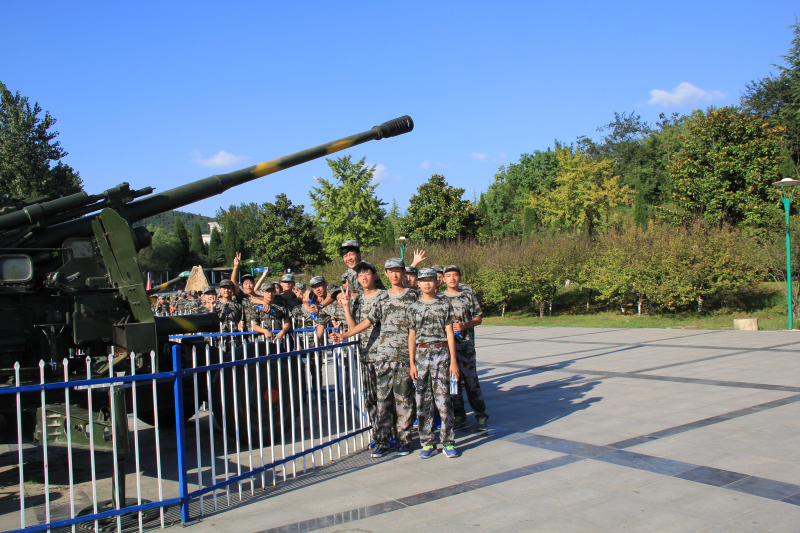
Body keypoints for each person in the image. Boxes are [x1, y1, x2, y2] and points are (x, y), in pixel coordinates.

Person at [330, 258, 416, 458]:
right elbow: (367, 322)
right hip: (380, 356)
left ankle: (403, 439)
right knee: (380, 401)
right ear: (385, 274)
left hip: (403, 355)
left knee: (403, 400)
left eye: (397, 270)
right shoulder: (379, 299)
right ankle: (383, 440)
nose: (394, 274)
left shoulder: (410, 296)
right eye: (390, 271)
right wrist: (344, 335)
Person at [407, 267, 460, 459]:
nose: (427, 283)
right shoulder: (413, 308)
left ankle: (448, 441)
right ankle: (427, 442)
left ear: (437, 282)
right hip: (421, 355)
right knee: (423, 400)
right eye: (423, 280)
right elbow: (411, 337)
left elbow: (450, 333)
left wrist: (453, 361)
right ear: (419, 283)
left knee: (444, 399)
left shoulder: (445, 305)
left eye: (430, 280)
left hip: (441, 354)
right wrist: (412, 363)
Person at [335, 260, 387, 450]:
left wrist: (344, 335)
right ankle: (378, 434)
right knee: (371, 399)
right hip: (366, 353)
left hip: (384, 353)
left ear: (375, 275)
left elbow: (369, 322)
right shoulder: (358, 300)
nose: (364, 277)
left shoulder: (384, 296)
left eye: (367, 273)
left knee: (385, 398)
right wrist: (346, 307)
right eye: (360, 275)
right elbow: (354, 326)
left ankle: (388, 436)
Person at [441, 265, 488, 432]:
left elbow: (478, 318)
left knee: (471, 383)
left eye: (455, 275)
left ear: (460, 277)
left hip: (465, 347)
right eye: (448, 275)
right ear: (443, 279)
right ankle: (459, 415)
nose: (452, 278)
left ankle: (481, 415)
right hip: (446, 349)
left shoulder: (467, 295)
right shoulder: (439, 298)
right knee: (453, 384)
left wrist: (464, 325)